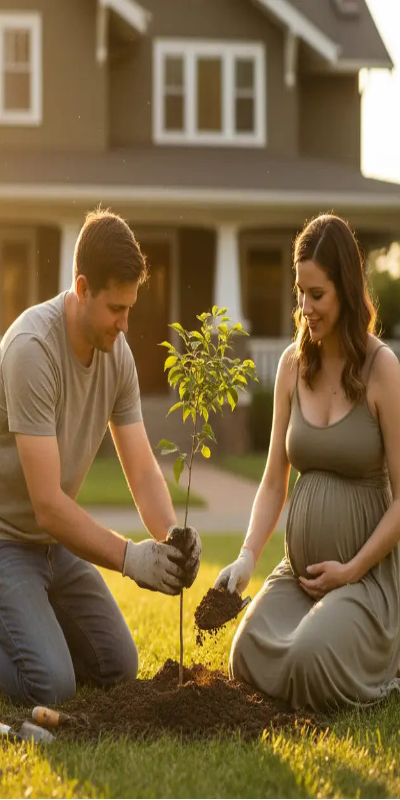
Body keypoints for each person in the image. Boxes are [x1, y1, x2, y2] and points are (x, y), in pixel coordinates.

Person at [0, 208, 201, 705]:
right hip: (5, 539)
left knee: (118, 665)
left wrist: (170, 540)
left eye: (130, 308)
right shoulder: (32, 349)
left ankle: (29, 624)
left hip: (52, 544)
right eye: (116, 308)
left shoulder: (117, 352)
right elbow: (46, 503)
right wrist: (132, 558)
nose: (125, 323)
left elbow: (140, 466)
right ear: (82, 287)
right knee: (51, 684)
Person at [215, 213, 400, 712]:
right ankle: (320, 634)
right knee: (244, 653)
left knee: (307, 657)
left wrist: (352, 568)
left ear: (345, 289)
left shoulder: (382, 370)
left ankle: (379, 656)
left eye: (316, 294)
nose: (304, 307)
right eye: (300, 292)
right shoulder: (293, 367)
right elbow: (274, 480)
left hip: (363, 579)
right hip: (300, 575)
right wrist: (247, 558)